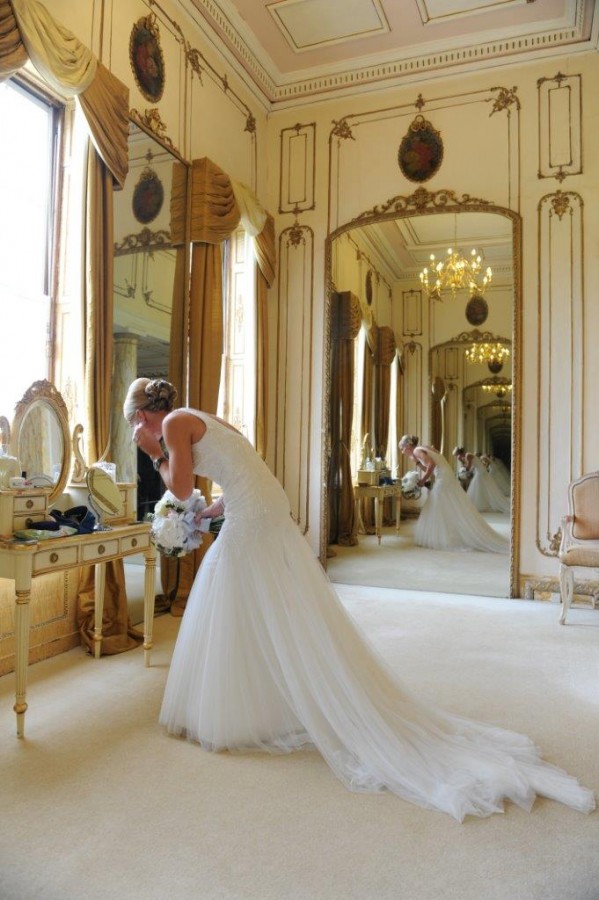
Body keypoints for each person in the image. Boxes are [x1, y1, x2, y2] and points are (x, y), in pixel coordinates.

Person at [123, 379, 595, 822]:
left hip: (256, 510)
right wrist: (215, 508)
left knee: (232, 584)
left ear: (145, 414)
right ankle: (266, 693)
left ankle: (246, 706)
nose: (138, 431)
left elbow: (180, 488)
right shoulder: (197, 415)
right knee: (250, 592)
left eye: (134, 424)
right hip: (263, 501)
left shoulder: (168, 427)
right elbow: (242, 469)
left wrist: (153, 455)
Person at [399, 436, 509, 554]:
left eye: (402, 448)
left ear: (408, 446)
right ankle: (444, 533)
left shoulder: (417, 451)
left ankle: (439, 536)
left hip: (443, 477)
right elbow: (431, 464)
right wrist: (416, 462)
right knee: (442, 503)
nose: (402, 451)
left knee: (435, 503)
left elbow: (431, 464)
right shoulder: (423, 447)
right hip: (446, 474)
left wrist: (422, 480)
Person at [454, 448, 510, 514]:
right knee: (480, 488)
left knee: (477, 487)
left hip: (480, 472)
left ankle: (477, 505)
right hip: (480, 471)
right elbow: (473, 467)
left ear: (459, 454)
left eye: (457, 456)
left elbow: (468, 467)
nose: (458, 457)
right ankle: (482, 504)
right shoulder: (468, 455)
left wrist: (462, 470)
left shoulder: (467, 456)